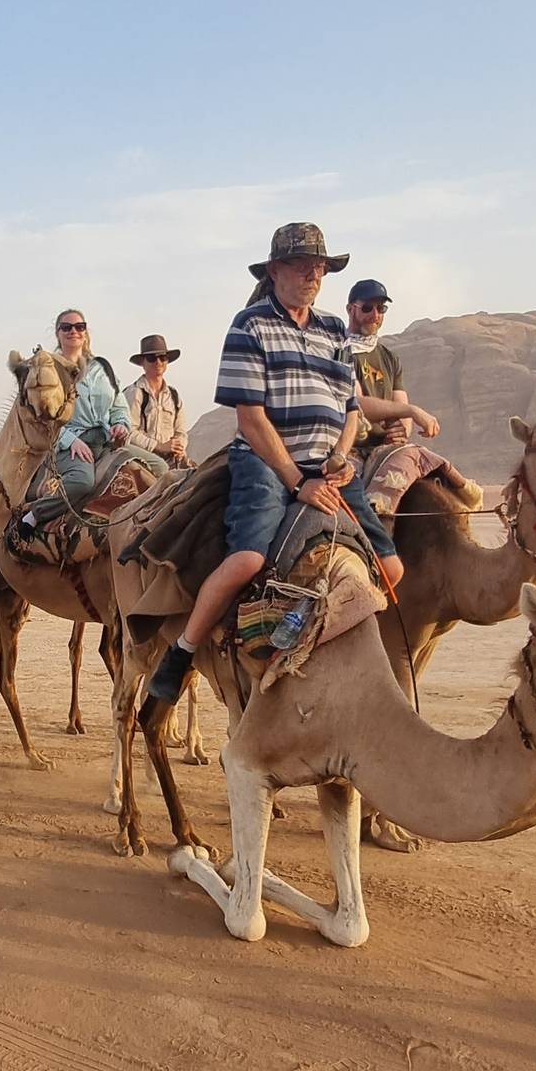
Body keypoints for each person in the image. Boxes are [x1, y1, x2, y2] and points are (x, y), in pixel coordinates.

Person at [146, 221, 399, 709]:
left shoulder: (333, 330)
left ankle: (323, 646)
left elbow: (351, 410)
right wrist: (297, 481)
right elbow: (251, 418)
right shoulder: (251, 326)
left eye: (319, 266)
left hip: (329, 464)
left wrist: (342, 455)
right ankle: (182, 653)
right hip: (267, 460)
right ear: (275, 270)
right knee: (248, 559)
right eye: (301, 265)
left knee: (391, 567)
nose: (312, 274)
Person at [343, 278, 480, 511]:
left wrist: (402, 430)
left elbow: (400, 403)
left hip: (386, 448)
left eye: (381, 308)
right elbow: (358, 404)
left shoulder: (388, 357)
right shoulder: (340, 351)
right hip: (352, 448)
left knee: (439, 479)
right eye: (367, 308)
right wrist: (412, 412)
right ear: (350, 309)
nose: (375, 315)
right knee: (356, 506)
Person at [52, 310, 171, 507]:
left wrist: (121, 425)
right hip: (71, 442)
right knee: (82, 482)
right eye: (66, 327)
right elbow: (43, 420)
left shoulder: (102, 367)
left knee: (161, 468)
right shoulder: (51, 370)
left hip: (105, 441)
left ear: (85, 332)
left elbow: (118, 406)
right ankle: (33, 516)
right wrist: (70, 440)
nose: (74, 331)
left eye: (79, 327)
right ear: (58, 333)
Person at [125, 335, 189, 465]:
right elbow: (128, 431)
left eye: (162, 357)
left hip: (172, 459)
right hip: (141, 459)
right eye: (151, 358)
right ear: (143, 363)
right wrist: (158, 446)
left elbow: (180, 431)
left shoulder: (174, 396)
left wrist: (179, 446)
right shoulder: (134, 393)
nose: (158, 362)